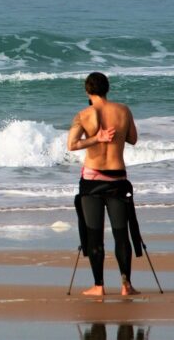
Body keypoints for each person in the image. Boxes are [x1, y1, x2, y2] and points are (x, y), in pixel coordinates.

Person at [67, 72, 139, 296]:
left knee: (94, 234)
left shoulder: (83, 115)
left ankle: (99, 286)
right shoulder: (123, 110)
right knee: (121, 233)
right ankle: (126, 285)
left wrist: (96, 139)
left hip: (92, 181)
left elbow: (72, 145)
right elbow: (133, 139)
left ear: (87, 91)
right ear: (107, 89)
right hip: (118, 179)